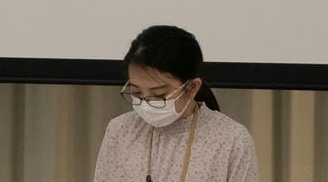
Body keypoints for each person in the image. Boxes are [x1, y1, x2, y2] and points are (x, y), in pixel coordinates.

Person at [93, 25, 259, 182]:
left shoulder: (232, 140)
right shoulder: (120, 131)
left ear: (192, 87)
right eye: (136, 92)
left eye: (159, 95)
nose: (145, 104)